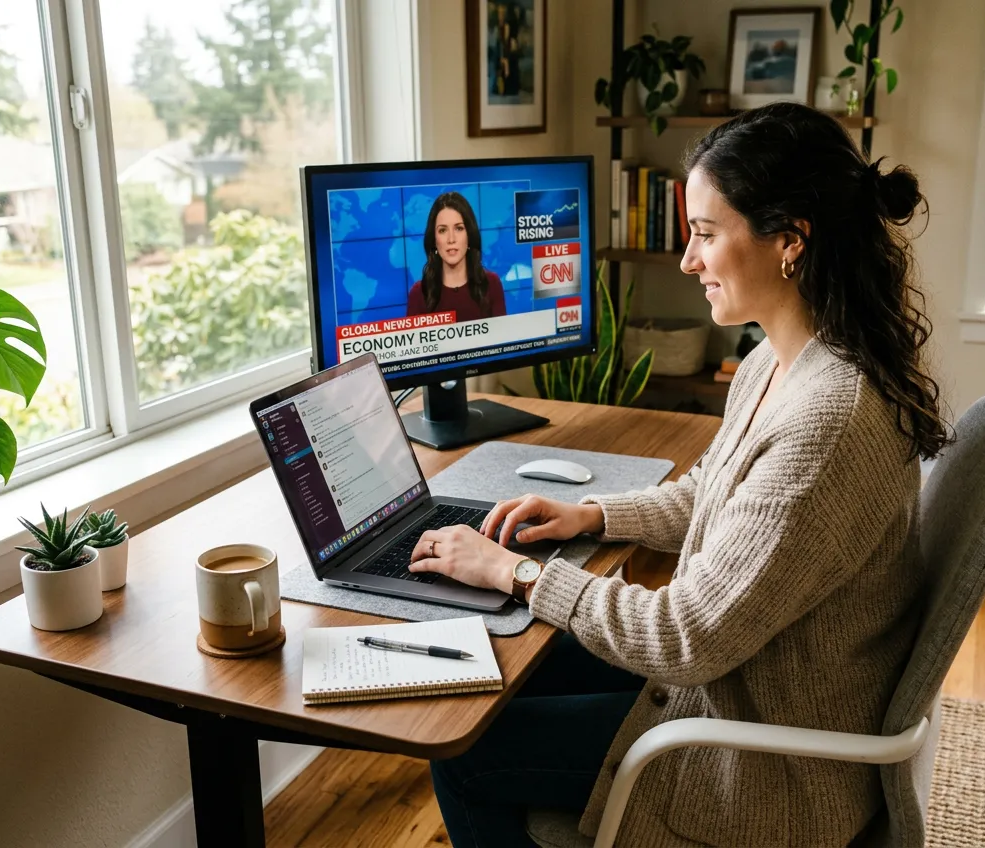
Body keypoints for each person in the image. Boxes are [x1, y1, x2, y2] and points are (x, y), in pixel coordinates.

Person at [406, 101, 948, 847]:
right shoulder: (781, 358)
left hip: (763, 759)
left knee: (466, 751)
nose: (688, 260)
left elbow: (686, 636)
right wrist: (592, 516)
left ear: (790, 240)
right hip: (741, 683)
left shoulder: (830, 420)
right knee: (509, 663)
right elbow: (717, 492)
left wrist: (518, 574)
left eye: (704, 233)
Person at [407, 192, 506, 321]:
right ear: (434, 240)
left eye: (459, 228)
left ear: (469, 234)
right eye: (443, 230)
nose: (451, 239)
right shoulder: (419, 294)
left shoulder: (491, 284)